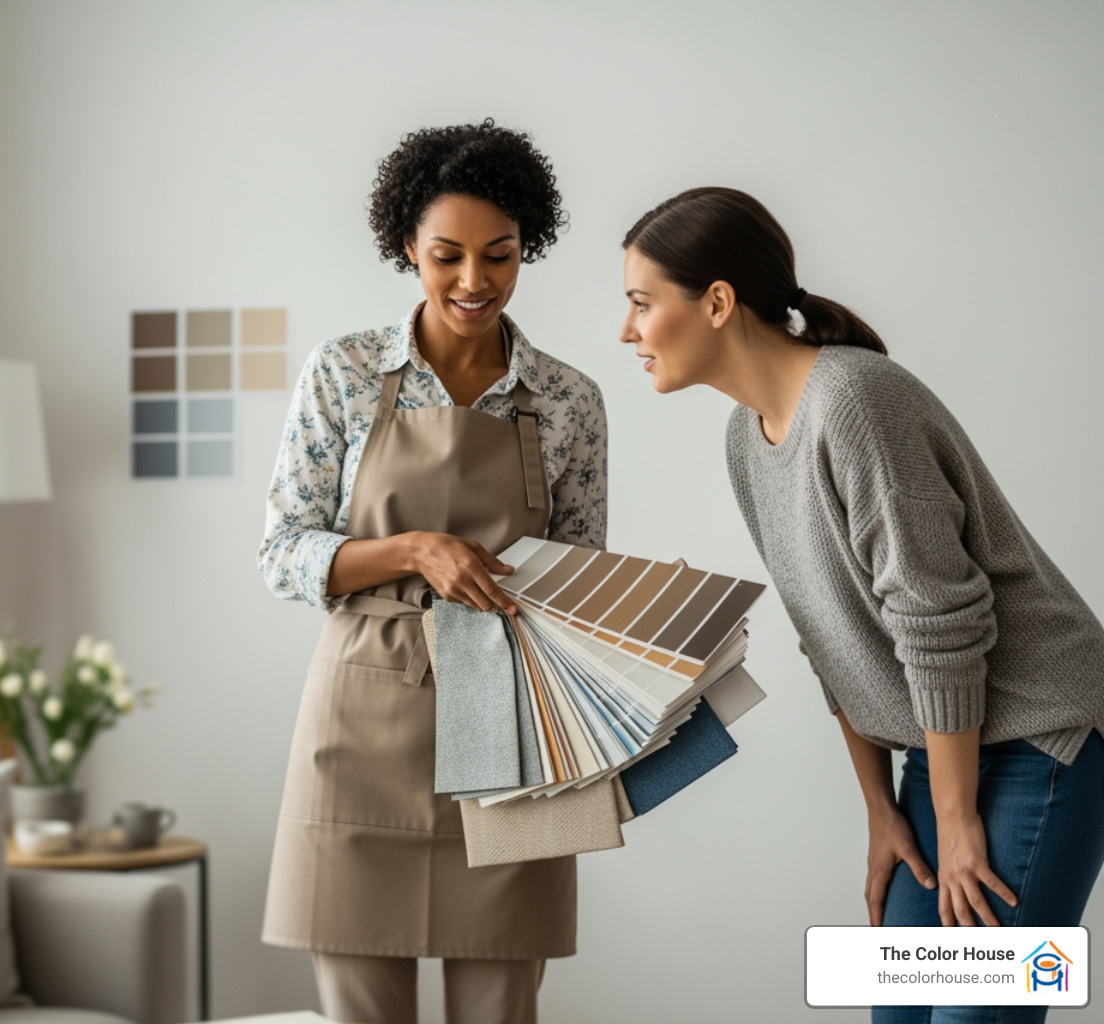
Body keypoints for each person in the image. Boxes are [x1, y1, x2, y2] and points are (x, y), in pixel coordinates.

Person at [618, 186, 1104, 1023]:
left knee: (971, 1016)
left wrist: (954, 822)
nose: (626, 331)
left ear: (718, 302)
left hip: (1041, 734)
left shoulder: (854, 402)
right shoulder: (748, 437)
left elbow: (940, 629)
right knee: (899, 1017)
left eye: (640, 303)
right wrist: (883, 811)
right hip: (946, 744)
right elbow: (831, 639)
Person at [256, 120, 607, 1024]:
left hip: (510, 718)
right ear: (406, 245)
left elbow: (581, 579)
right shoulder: (341, 374)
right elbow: (283, 551)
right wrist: (416, 549)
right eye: (447, 255)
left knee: (501, 1006)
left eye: (501, 255)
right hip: (361, 715)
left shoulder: (569, 400)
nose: (474, 281)